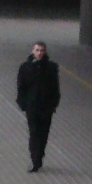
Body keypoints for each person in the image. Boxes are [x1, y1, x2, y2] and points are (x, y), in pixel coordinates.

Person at [16, 41, 60, 173]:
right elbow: (21, 87)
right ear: (33, 52)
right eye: (37, 50)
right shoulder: (25, 67)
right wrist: (22, 103)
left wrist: (54, 104)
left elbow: (55, 87)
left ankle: (40, 155)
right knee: (34, 133)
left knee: (44, 134)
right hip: (32, 106)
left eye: (42, 50)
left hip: (46, 107)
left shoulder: (51, 67)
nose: (40, 53)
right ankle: (35, 160)